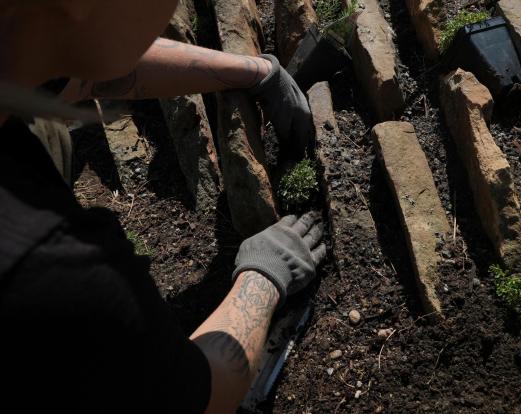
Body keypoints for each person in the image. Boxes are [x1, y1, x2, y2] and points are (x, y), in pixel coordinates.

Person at [0, 0, 325, 413]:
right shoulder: (51, 269)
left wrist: (255, 71)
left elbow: (82, 74)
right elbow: (198, 396)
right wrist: (263, 275)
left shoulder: (17, 42)